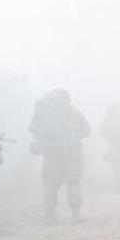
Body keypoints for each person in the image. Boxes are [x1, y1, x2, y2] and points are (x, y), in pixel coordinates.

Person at [29, 88, 90, 223]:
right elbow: (87, 130)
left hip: (50, 152)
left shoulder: (43, 111)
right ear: (67, 99)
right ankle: (76, 216)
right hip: (72, 152)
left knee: (50, 184)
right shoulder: (73, 111)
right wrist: (75, 138)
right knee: (73, 182)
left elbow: (34, 130)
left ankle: (49, 216)